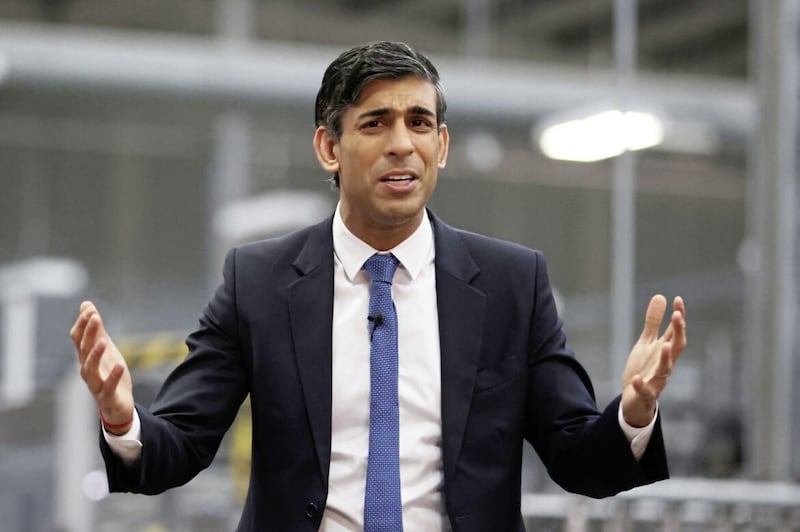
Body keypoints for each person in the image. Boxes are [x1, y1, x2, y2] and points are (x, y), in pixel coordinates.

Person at [71, 41, 687, 532]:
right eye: (376, 123)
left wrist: (633, 413)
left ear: (440, 146)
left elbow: (579, 458)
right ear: (328, 148)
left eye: (420, 123)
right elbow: (179, 445)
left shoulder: (510, 284)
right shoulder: (258, 281)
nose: (402, 144)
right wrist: (126, 421)